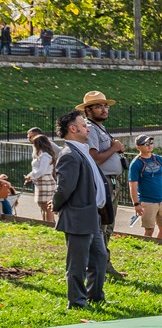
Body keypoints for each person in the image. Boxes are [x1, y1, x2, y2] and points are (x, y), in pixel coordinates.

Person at [51, 111, 109, 309]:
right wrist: (55, 205)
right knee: (77, 263)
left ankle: (95, 296)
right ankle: (76, 302)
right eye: (84, 125)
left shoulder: (82, 150)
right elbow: (64, 188)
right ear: (73, 129)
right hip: (78, 216)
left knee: (100, 256)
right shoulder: (69, 155)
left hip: (92, 215)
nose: (89, 127)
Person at [78, 91, 126, 279]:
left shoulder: (100, 128)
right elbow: (94, 157)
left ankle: (103, 263)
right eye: (98, 106)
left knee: (109, 225)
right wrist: (114, 148)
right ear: (88, 111)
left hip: (112, 181)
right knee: (101, 226)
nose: (104, 109)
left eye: (105, 106)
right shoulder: (90, 129)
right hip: (103, 182)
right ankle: (97, 266)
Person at [127, 135, 162, 240]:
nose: (149, 145)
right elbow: (132, 185)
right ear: (138, 148)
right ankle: (146, 249)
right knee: (149, 229)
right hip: (147, 202)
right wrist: (136, 204)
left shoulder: (158, 159)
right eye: (146, 144)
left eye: (151, 143)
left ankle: (160, 250)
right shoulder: (136, 163)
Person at [24, 131, 58, 224]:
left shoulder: (45, 156)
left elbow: (42, 171)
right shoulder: (40, 155)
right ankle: (44, 223)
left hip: (45, 181)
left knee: (47, 205)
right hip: (40, 181)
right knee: (42, 205)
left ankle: (50, 224)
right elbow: (36, 169)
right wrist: (30, 175)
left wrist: (32, 176)